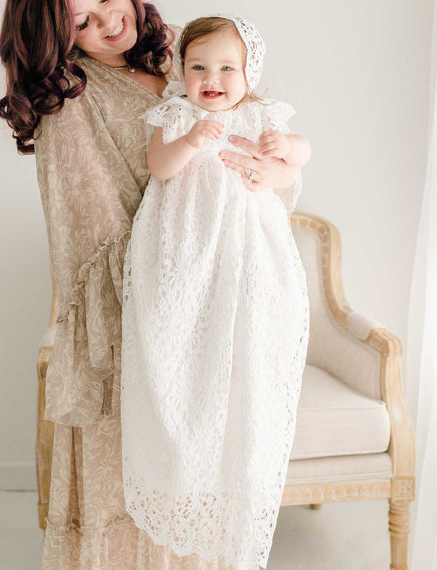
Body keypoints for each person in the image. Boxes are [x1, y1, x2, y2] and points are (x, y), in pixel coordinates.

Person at [0, 1, 304, 568]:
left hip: (227, 301)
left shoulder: (184, 50)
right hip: (142, 315)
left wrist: (280, 170)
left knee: (204, 474)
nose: (107, 23)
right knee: (140, 488)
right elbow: (91, 235)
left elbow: (262, 146)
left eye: (106, 0)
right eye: (81, 23)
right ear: (57, 39)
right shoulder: (74, 98)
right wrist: (168, 304)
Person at [120, 16, 310, 569]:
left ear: (250, 72)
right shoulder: (176, 113)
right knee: (182, 325)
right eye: (198, 66)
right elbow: (159, 167)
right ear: (181, 71)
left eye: (228, 67)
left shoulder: (260, 115)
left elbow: (300, 154)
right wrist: (189, 140)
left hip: (245, 245)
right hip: (186, 243)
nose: (213, 79)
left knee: (247, 308)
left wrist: (287, 148)